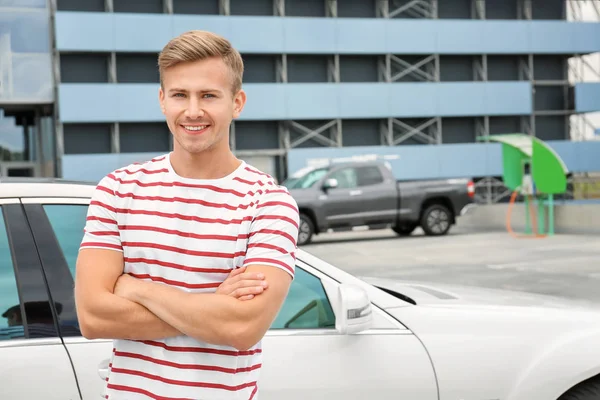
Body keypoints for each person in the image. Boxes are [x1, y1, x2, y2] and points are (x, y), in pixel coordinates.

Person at [74, 30, 299, 400]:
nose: (193, 111)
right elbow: (93, 317)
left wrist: (136, 288)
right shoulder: (117, 190)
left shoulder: (269, 203)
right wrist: (212, 308)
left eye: (209, 95)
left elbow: (243, 327)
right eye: (180, 94)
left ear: (237, 102)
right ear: (163, 100)